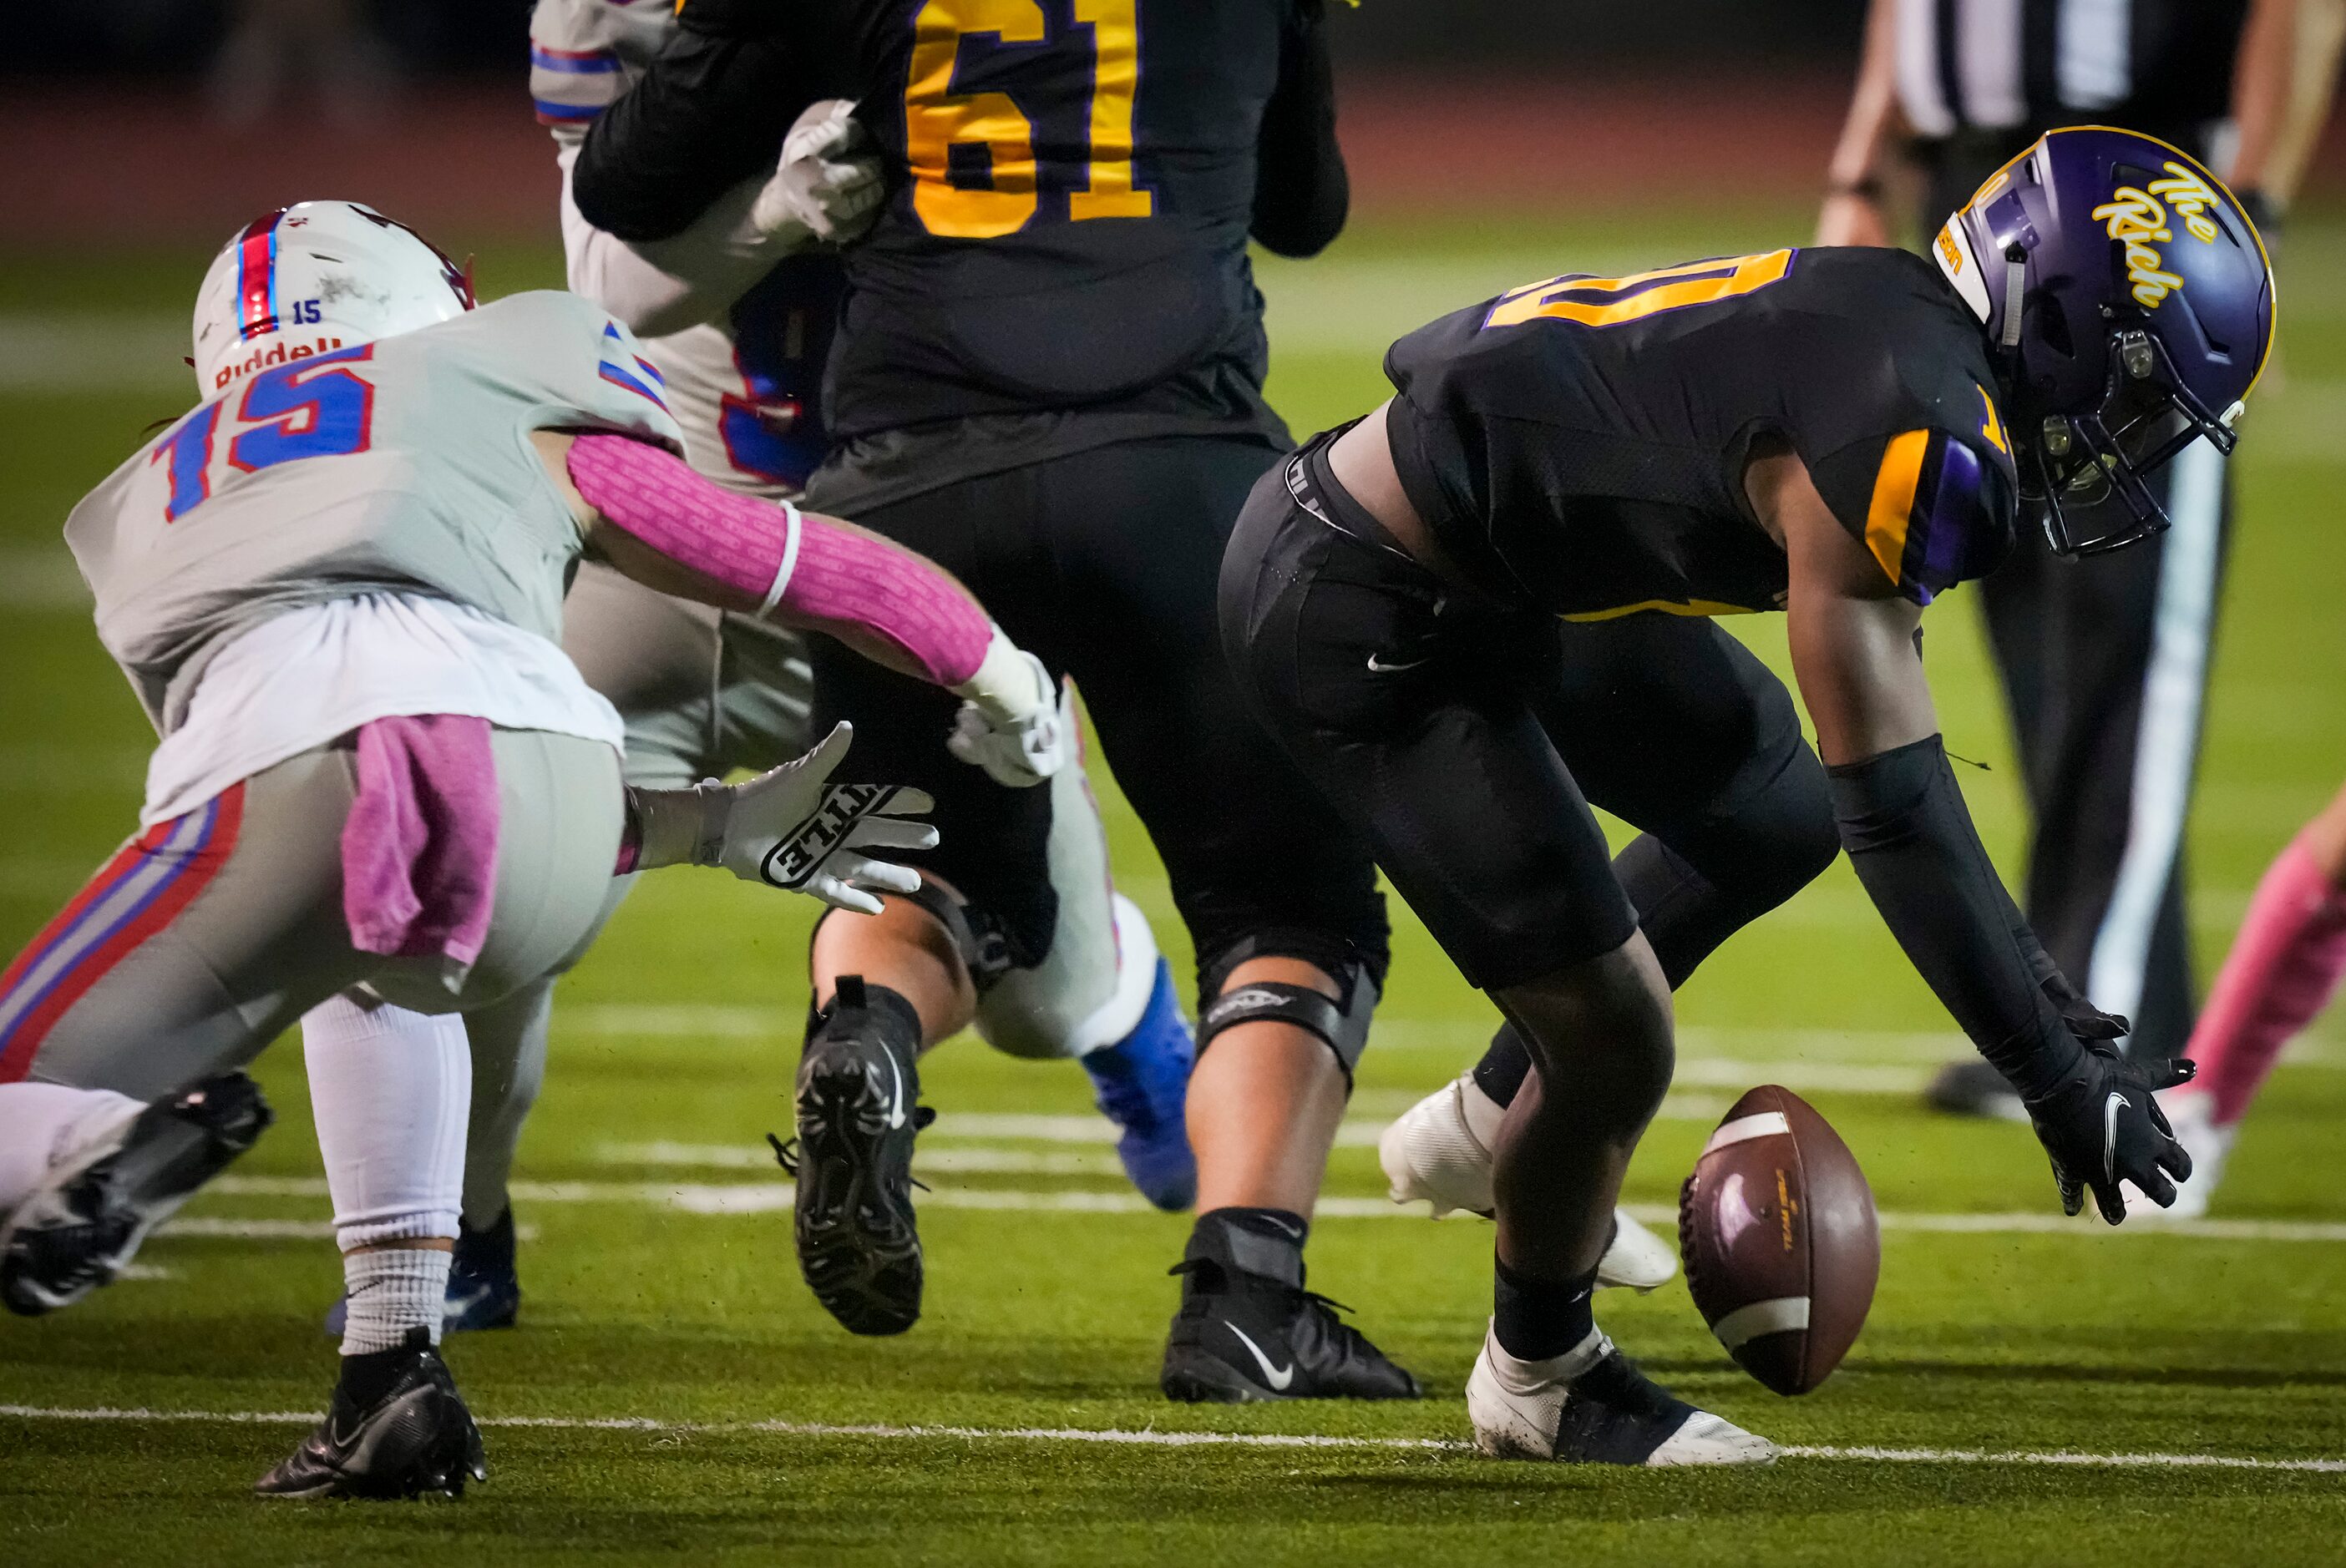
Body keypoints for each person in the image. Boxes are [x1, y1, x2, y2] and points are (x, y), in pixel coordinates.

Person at [1219, 128, 2274, 1462]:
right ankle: (1539, 1372)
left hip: (1489, 566)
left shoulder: (1903, 327)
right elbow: (1893, 807)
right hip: (1365, 596)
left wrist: (2056, 1021)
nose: (2128, 437)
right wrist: (2052, 1065)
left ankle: (1494, 1122)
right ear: (2055, 319)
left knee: (1765, 797)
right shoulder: (1911, 428)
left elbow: (1852, 794)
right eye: (2134, 393)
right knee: (1614, 1037)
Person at [0, 200, 1063, 1497]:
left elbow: (357, 754)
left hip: (318, 765)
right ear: (424, 302)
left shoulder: (151, 492)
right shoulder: (499, 365)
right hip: (552, 777)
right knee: (384, 946)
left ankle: (80, 1154)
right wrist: (983, 679)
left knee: (29, 1066)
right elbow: (767, 557)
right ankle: (390, 1374)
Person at [566, 0, 1418, 1394]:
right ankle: (1245, 1296)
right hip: (1173, 465)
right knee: (1290, 906)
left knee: (923, 876)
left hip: (909, 486)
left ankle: (868, 1036)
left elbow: (624, 181)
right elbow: (1305, 209)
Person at [354, 0, 1203, 1345]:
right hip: (665, 543)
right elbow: (612, 280)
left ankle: (1124, 999)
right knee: (482, 848)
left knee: (1037, 991)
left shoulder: (994, 37)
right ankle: (459, 1224)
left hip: (895, 564)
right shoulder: (614, 13)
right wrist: (776, 213)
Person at [1817, 0, 2303, 1119]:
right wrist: (1864, 170)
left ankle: (2105, 1017)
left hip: (2130, 181)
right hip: (1971, 191)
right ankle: (2085, 999)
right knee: (2024, 609)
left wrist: (2254, 204)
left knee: (2125, 609)